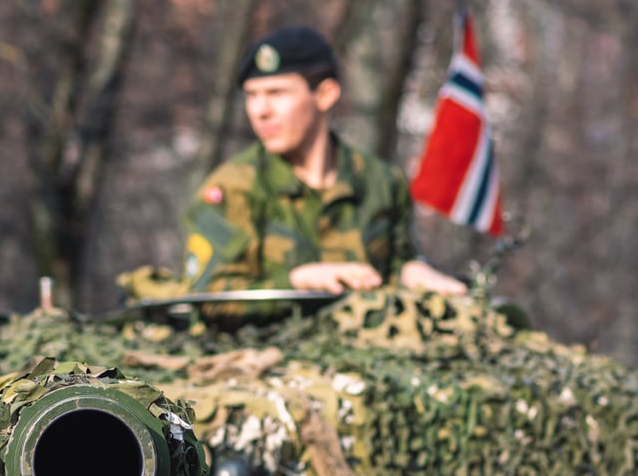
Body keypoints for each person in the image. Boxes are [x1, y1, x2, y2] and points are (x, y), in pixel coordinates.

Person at [181, 25, 466, 303]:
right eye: (252, 96)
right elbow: (207, 296)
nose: (260, 111)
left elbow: (396, 263)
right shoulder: (234, 187)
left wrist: (414, 273)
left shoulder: (380, 182)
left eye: (276, 93)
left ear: (325, 94)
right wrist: (296, 282)